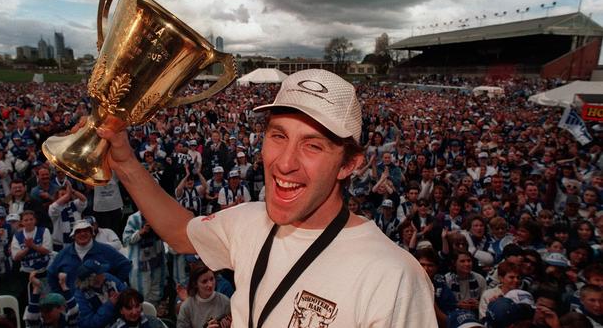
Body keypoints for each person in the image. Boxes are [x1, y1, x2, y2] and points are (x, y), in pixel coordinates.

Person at [93, 69, 436, 327]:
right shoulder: (248, 219)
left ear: (349, 164)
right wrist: (125, 163)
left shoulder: (394, 277)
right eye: (278, 135)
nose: (284, 162)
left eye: (312, 145)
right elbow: (182, 233)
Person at [47, 220, 131, 294]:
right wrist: (61, 294)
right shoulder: (64, 253)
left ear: (92, 233)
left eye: (86, 231)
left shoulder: (106, 250)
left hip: (103, 301)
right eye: (79, 231)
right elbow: (51, 274)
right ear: (73, 236)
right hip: (73, 303)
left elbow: (125, 265)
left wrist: (115, 284)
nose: (83, 234)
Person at [122, 211, 167, 304]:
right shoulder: (133, 218)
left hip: (157, 261)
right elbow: (126, 240)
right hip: (140, 265)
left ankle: (153, 313)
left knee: (156, 293)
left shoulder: (160, 215)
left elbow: (168, 234)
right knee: (142, 294)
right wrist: (140, 232)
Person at [74, 259, 126, 328]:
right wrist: (109, 305)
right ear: (92, 278)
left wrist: (122, 297)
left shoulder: (108, 277)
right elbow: (89, 324)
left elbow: (127, 292)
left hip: (122, 322)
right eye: (100, 272)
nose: (103, 273)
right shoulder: (80, 296)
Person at [49, 183, 87, 250]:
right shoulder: (53, 208)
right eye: (62, 194)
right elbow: (55, 206)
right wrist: (68, 194)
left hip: (77, 240)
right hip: (60, 244)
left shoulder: (74, 204)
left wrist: (72, 190)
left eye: (66, 193)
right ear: (57, 196)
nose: (66, 196)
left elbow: (84, 200)